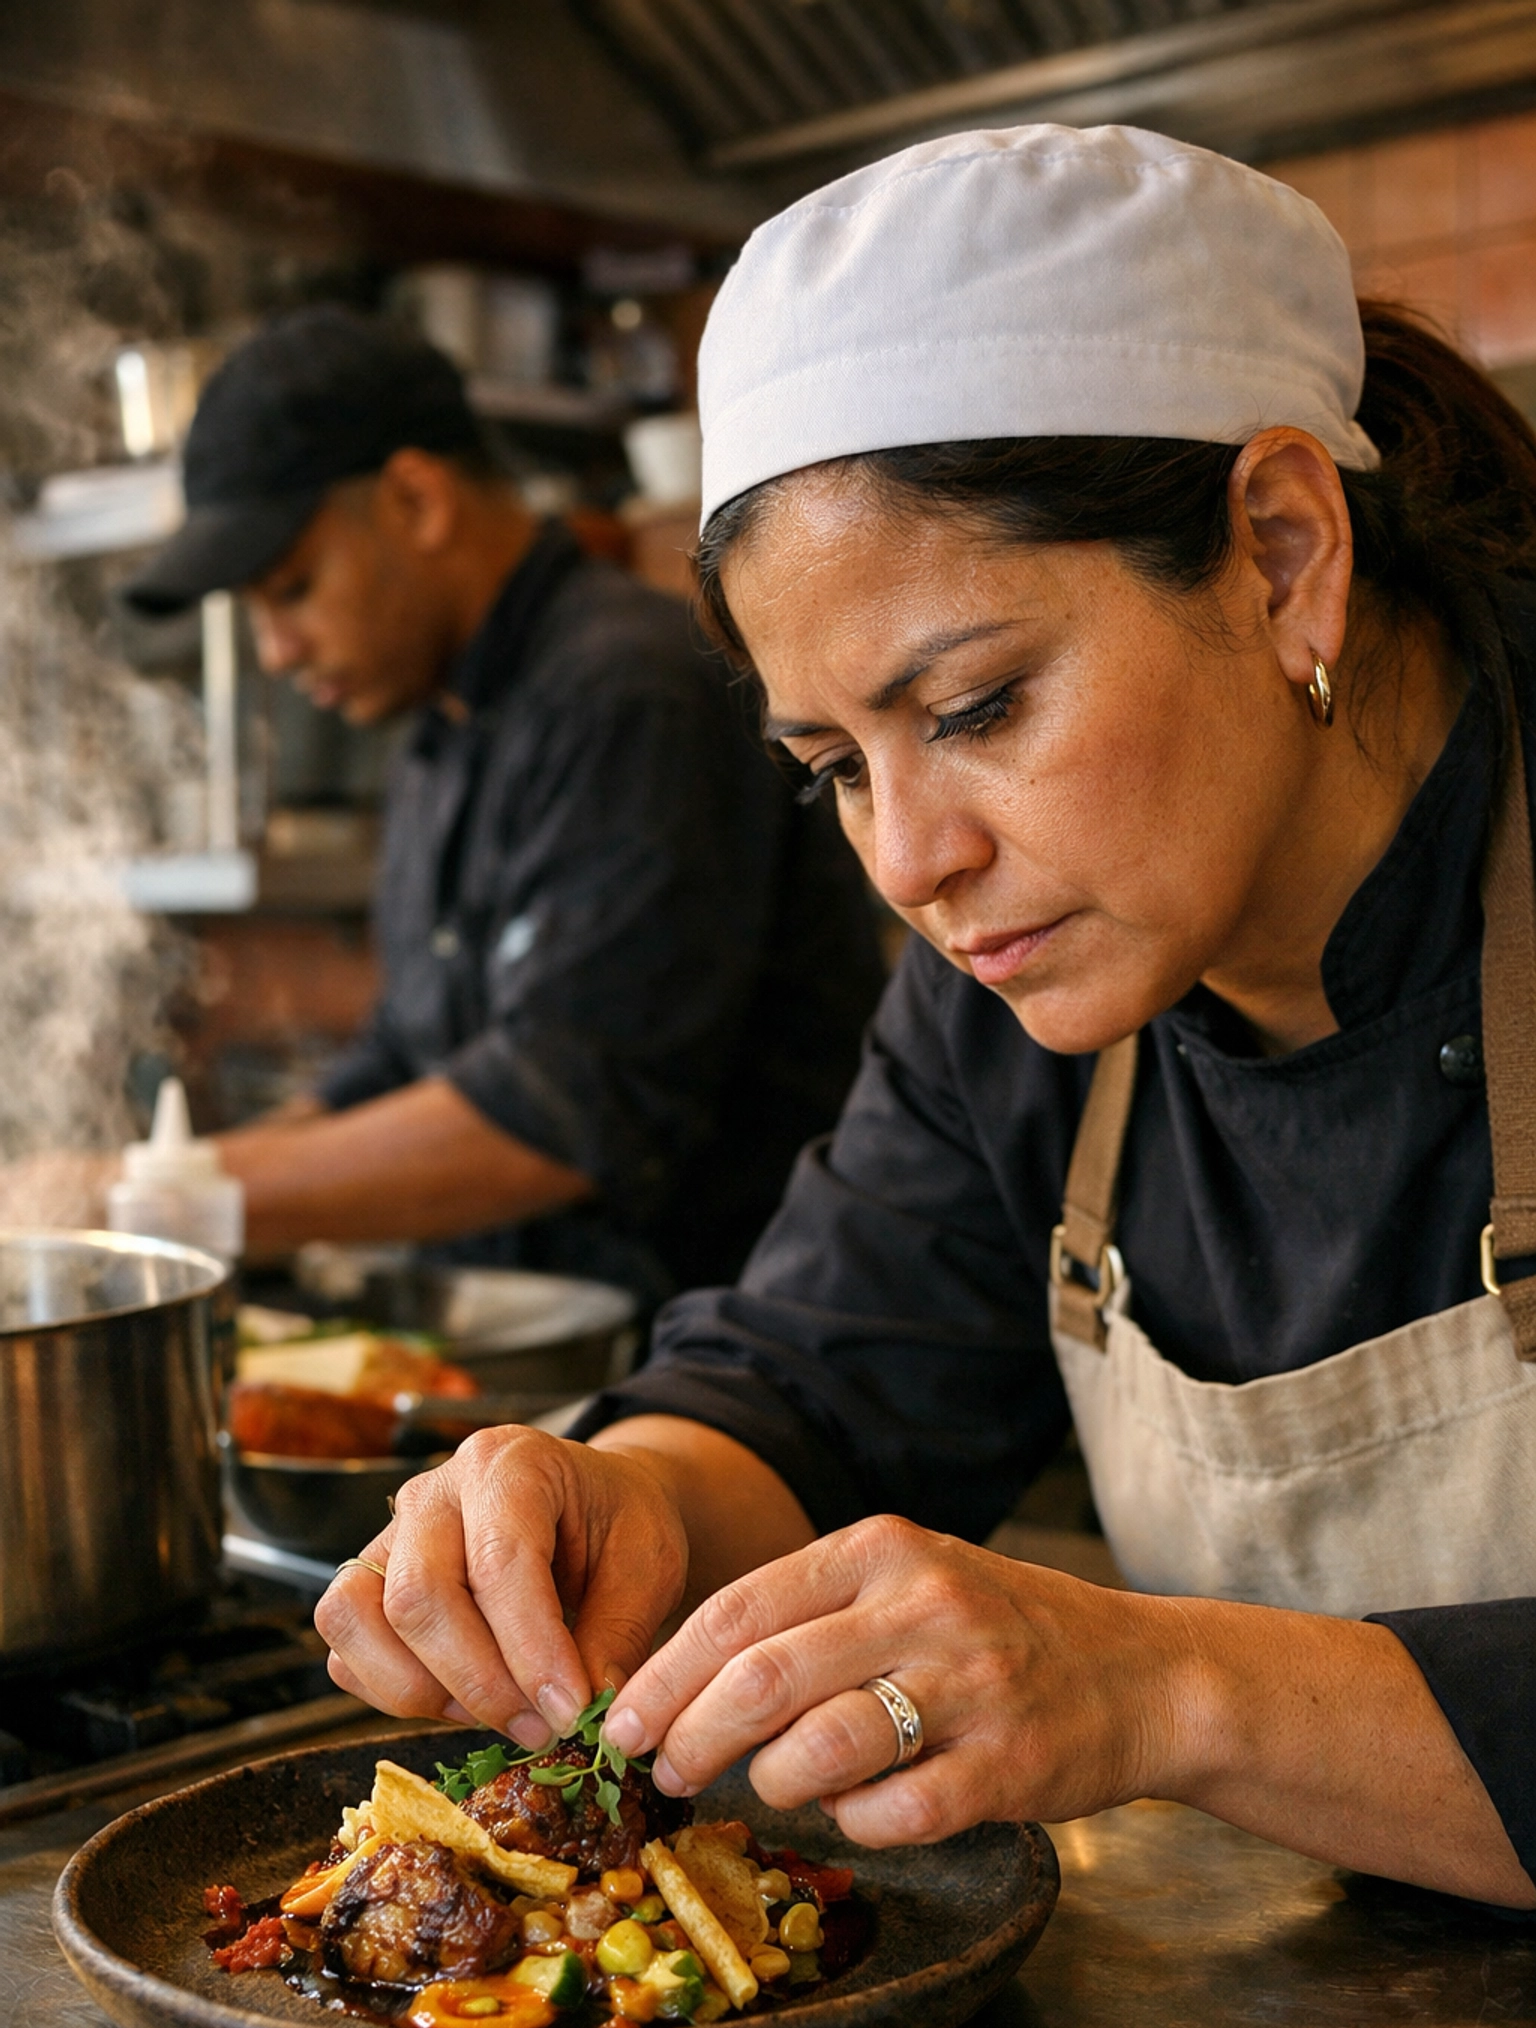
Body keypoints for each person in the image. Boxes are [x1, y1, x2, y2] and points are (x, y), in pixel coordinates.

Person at [316, 128, 1536, 1911]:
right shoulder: (1031, 978)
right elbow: (815, 1373)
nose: (914, 855)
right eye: (833, 769)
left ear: (1282, 553)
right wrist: (625, 1490)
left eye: (973, 705)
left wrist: (1163, 1682)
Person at [123, 307, 885, 1301]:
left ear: (415, 500)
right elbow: (409, 1051)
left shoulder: (624, 691)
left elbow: (570, 1111)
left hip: (708, 1359)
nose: (275, 651)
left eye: (294, 588)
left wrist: (153, 1202)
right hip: (506, 1358)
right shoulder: (442, 725)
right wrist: (163, 1187)